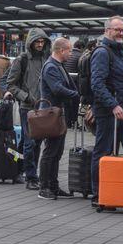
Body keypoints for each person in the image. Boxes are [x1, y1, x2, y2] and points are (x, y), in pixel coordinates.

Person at [90, 16, 123, 207]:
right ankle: (98, 194)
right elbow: (97, 84)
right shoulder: (102, 52)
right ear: (107, 30)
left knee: (112, 152)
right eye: (118, 30)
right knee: (103, 151)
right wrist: (113, 105)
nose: (121, 33)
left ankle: (110, 192)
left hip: (120, 111)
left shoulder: (119, 51)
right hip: (109, 111)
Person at [6, 28, 51, 191]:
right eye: (37, 42)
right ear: (30, 43)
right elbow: (10, 84)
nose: (40, 45)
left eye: (42, 42)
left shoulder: (47, 58)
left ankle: (19, 169)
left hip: (43, 107)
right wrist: (26, 97)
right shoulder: (22, 59)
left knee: (32, 141)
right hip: (28, 107)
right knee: (31, 142)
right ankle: (31, 176)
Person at [38, 37, 78, 200]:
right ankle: (44, 187)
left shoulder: (57, 65)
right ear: (61, 50)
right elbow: (57, 89)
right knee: (50, 151)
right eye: (69, 50)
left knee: (57, 151)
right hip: (51, 115)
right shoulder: (51, 67)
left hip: (57, 114)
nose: (71, 53)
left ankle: (53, 186)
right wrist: (76, 95)